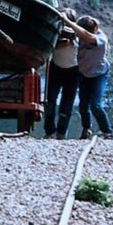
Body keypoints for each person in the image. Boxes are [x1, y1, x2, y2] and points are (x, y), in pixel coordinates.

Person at [59, 12, 113, 140]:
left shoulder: (100, 39)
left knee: (95, 104)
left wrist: (68, 21)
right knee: (83, 105)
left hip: (99, 74)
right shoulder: (80, 37)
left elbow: (86, 36)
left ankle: (108, 131)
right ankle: (86, 129)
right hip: (84, 73)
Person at [44, 8, 79, 139]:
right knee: (50, 101)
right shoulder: (54, 32)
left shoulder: (78, 33)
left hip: (73, 71)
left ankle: (61, 133)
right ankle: (50, 132)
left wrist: (70, 31)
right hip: (56, 68)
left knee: (67, 104)